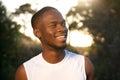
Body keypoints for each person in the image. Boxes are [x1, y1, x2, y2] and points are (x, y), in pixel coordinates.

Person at [15, 6, 94, 80]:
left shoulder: (84, 65)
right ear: (37, 33)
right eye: (53, 25)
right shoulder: (25, 73)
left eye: (63, 24)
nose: (62, 29)